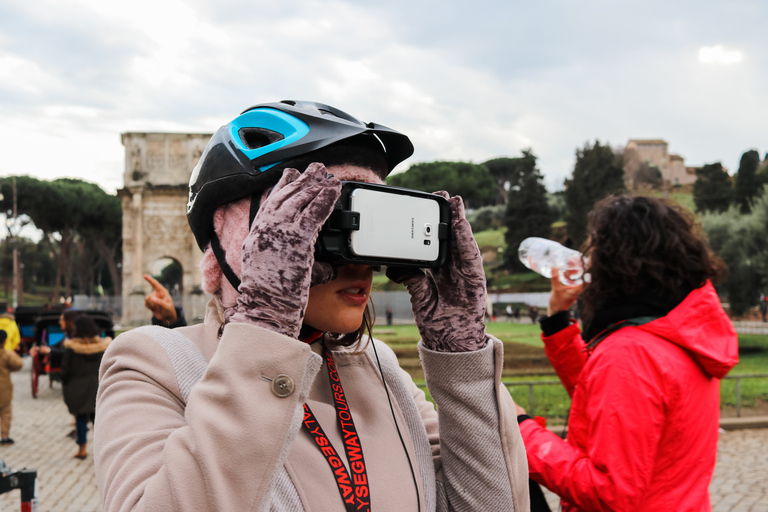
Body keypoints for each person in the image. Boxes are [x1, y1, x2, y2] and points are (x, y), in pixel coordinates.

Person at [95, 100, 530, 511]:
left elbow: (489, 503)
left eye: (368, 224)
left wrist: (462, 357)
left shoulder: (380, 370)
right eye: (324, 223)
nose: (364, 262)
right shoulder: (151, 365)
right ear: (238, 242)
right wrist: (265, 327)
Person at [517, 195, 738, 511]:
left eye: (595, 251)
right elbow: (610, 403)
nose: (587, 262)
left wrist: (522, 431)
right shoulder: (679, 332)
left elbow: (610, 492)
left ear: (618, 262)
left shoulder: (630, 353)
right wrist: (557, 322)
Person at [61, 314, 112, 460]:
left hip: (77, 388)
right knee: (98, 420)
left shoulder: (71, 348)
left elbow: (65, 370)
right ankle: (102, 450)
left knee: (81, 419)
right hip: (97, 387)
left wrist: (65, 383)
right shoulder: (103, 346)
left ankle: (82, 449)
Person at [0, 330, 23, 445]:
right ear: (5, 341)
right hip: (3, 389)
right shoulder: (6, 354)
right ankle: (4, 437)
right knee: (5, 414)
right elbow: (18, 364)